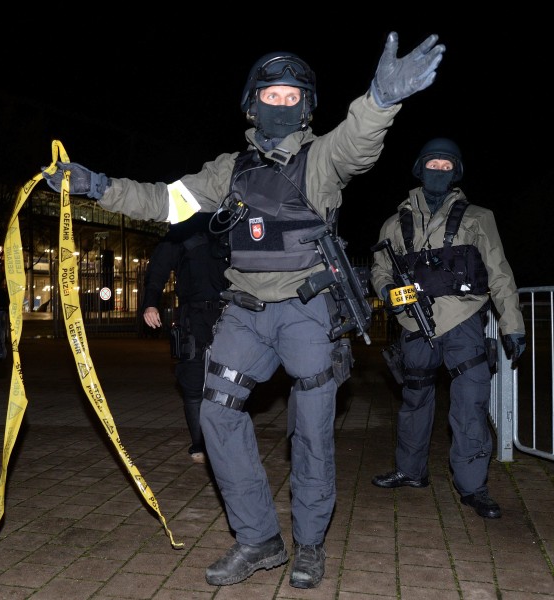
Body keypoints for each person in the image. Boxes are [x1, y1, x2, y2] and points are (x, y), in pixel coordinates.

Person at [42, 31, 445, 589]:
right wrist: (97, 186)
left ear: (306, 108)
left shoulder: (320, 158)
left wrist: (380, 100)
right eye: (270, 94)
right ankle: (258, 539)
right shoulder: (227, 170)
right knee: (216, 415)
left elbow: (358, 144)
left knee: (310, 432)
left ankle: (309, 544)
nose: (281, 104)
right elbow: (164, 200)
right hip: (245, 312)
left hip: (308, 312)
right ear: (252, 104)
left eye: (292, 96)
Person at [370, 137, 526, 519]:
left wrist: (512, 324)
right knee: (414, 401)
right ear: (419, 168)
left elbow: (500, 273)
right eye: (432, 164)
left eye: (446, 166)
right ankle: (410, 471)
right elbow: (379, 269)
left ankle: (474, 487)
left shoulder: (478, 216)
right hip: (414, 323)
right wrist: (388, 290)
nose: (438, 171)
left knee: (470, 403)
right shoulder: (394, 223)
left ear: (455, 172)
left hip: (462, 322)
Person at [141, 212, 229, 465]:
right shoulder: (180, 233)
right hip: (194, 315)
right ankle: (199, 443)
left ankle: (225, 440)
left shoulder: (226, 225)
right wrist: (150, 304)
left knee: (231, 381)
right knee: (193, 383)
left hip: (231, 314)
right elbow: (157, 271)